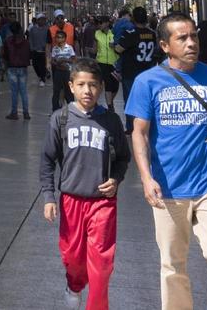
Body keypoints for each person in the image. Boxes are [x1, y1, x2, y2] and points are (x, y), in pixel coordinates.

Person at [126, 13, 207, 310]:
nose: (192, 42)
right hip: (167, 188)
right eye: (182, 38)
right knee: (172, 265)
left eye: (194, 36)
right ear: (165, 45)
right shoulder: (147, 81)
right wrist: (145, 177)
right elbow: (139, 133)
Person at [41, 59, 130, 310]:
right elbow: (47, 160)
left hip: (103, 203)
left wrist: (116, 179)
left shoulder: (111, 121)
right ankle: (74, 285)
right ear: (71, 86)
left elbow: (124, 157)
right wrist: (49, 197)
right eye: (81, 84)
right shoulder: (61, 119)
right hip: (71, 201)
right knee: (73, 259)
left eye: (92, 85)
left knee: (102, 264)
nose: (87, 90)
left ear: (101, 87)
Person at [113, 7, 160, 128]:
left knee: (130, 100)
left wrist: (114, 46)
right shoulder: (152, 34)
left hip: (131, 72)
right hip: (148, 71)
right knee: (147, 100)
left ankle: (131, 127)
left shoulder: (130, 33)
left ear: (133, 18)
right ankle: (148, 124)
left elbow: (119, 49)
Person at [4, 24, 33, 120]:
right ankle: (26, 113)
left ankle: (14, 112)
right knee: (23, 91)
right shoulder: (26, 42)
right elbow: (30, 54)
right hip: (23, 67)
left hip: (12, 67)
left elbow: (5, 55)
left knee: (14, 92)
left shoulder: (8, 41)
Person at [92, 19, 120, 112]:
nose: (99, 24)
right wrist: (91, 52)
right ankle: (110, 106)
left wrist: (115, 46)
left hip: (114, 62)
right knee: (107, 83)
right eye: (98, 23)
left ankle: (110, 101)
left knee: (115, 86)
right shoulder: (97, 34)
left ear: (107, 23)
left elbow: (120, 47)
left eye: (101, 22)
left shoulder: (114, 33)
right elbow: (95, 48)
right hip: (102, 62)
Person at [50, 29, 77, 111]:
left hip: (67, 72)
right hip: (58, 72)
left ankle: (72, 110)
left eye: (61, 37)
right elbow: (52, 60)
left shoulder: (69, 48)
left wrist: (64, 60)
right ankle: (55, 110)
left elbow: (73, 60)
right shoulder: (55, 49)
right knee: (56, 91)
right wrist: (57, 63)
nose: (59, 39)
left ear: (65, 38)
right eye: (57, 37)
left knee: (69, 91)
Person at [28, 14, 51, 85]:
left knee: (42, 65)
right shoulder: (32, 29)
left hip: (44, 51)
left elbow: (50, 40)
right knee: (35, 65)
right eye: (41, 19)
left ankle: (42, 79)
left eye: (44, 19)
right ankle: (41, 75)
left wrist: (48, 47)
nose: (43, 21)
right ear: (37, 21)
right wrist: (31, 48)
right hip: (35, 50)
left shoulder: (47, 29)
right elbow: (30, 39)